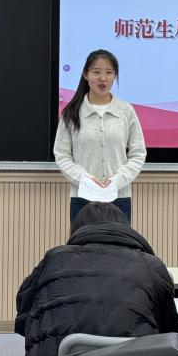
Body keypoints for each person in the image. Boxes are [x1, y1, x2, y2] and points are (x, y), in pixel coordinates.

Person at [14, 201, 178, 356]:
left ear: (76, 229)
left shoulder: (53, 259)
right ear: (124, 227)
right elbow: (169, 326)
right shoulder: (150, 265)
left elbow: (23, 315)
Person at [53, 49, 146, 225]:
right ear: (86, 75)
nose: (103, 78)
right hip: (82, 197)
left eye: (109, 73)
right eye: (96, 72)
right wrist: (85, 179)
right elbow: (62, 154)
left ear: (114, 76)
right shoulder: (72, 112)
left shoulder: (126, 111)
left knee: (119, 243)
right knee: (84, 243)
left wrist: (117, 180)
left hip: (119, 197)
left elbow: (138, 153)